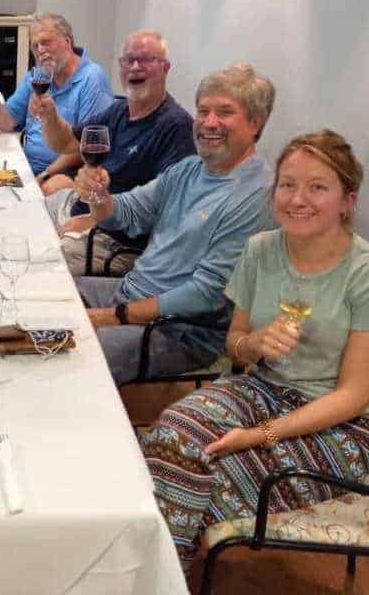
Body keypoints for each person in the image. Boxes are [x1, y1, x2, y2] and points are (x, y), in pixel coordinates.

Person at [142, 129, 369, 579]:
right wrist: (256, 343)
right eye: (287, 184)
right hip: (261, 388)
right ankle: (166, 576)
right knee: (170, 434)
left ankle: (162, 576)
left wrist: (261, 434)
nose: (297, 199)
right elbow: (235, 343)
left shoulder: (361, 272)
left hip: (341, 423)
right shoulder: (260, 249)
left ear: (348, 199)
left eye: (317, 186)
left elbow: (354, 396)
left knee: (198, 474)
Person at [74, 64, 275, 385]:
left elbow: (205, 295)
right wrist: (98, 195)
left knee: (73, 353)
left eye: (225, 112)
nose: (209, 123)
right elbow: (125, 212)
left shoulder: (257, 194)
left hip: (181, 330)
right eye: (203, 111)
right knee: (44, 296)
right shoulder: (188, 169)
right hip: (129, 294)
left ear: (255, 123)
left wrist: (113, 317)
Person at [31, 30, 196, 275]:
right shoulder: (119, 111)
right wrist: (49, 116)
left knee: (36, 265)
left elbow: (167, 209)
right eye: (128, 60)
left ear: (166, 67)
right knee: (23, 214)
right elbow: (66, 144)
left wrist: (95, 220)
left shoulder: (175, 126)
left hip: (116, 240)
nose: (135, 67)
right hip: (83, 207)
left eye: (146, 59)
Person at [0, 13, 114, 177]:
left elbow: (86, 145)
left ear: (68, 41)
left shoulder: (92, 79)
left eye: (45, 42)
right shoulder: (38, 75)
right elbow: (7, 122)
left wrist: (44, 175)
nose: (40, 50)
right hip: (27, 166)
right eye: (35, 46)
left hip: (65, 174)